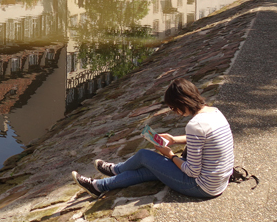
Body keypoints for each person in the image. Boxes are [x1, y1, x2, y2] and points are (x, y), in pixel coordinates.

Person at [72, 78, 234, 199]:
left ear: (181, 103)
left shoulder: (195, 125)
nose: (173, 111)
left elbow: (192, 171)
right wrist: (174, 139)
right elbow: (204, 138)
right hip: (218, 182)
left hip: (200, 186)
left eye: (173, 108)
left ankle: (116, 170)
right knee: (150, 168)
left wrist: (169, 155)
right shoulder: (214, 112)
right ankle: (99, 186)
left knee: (145, 155)